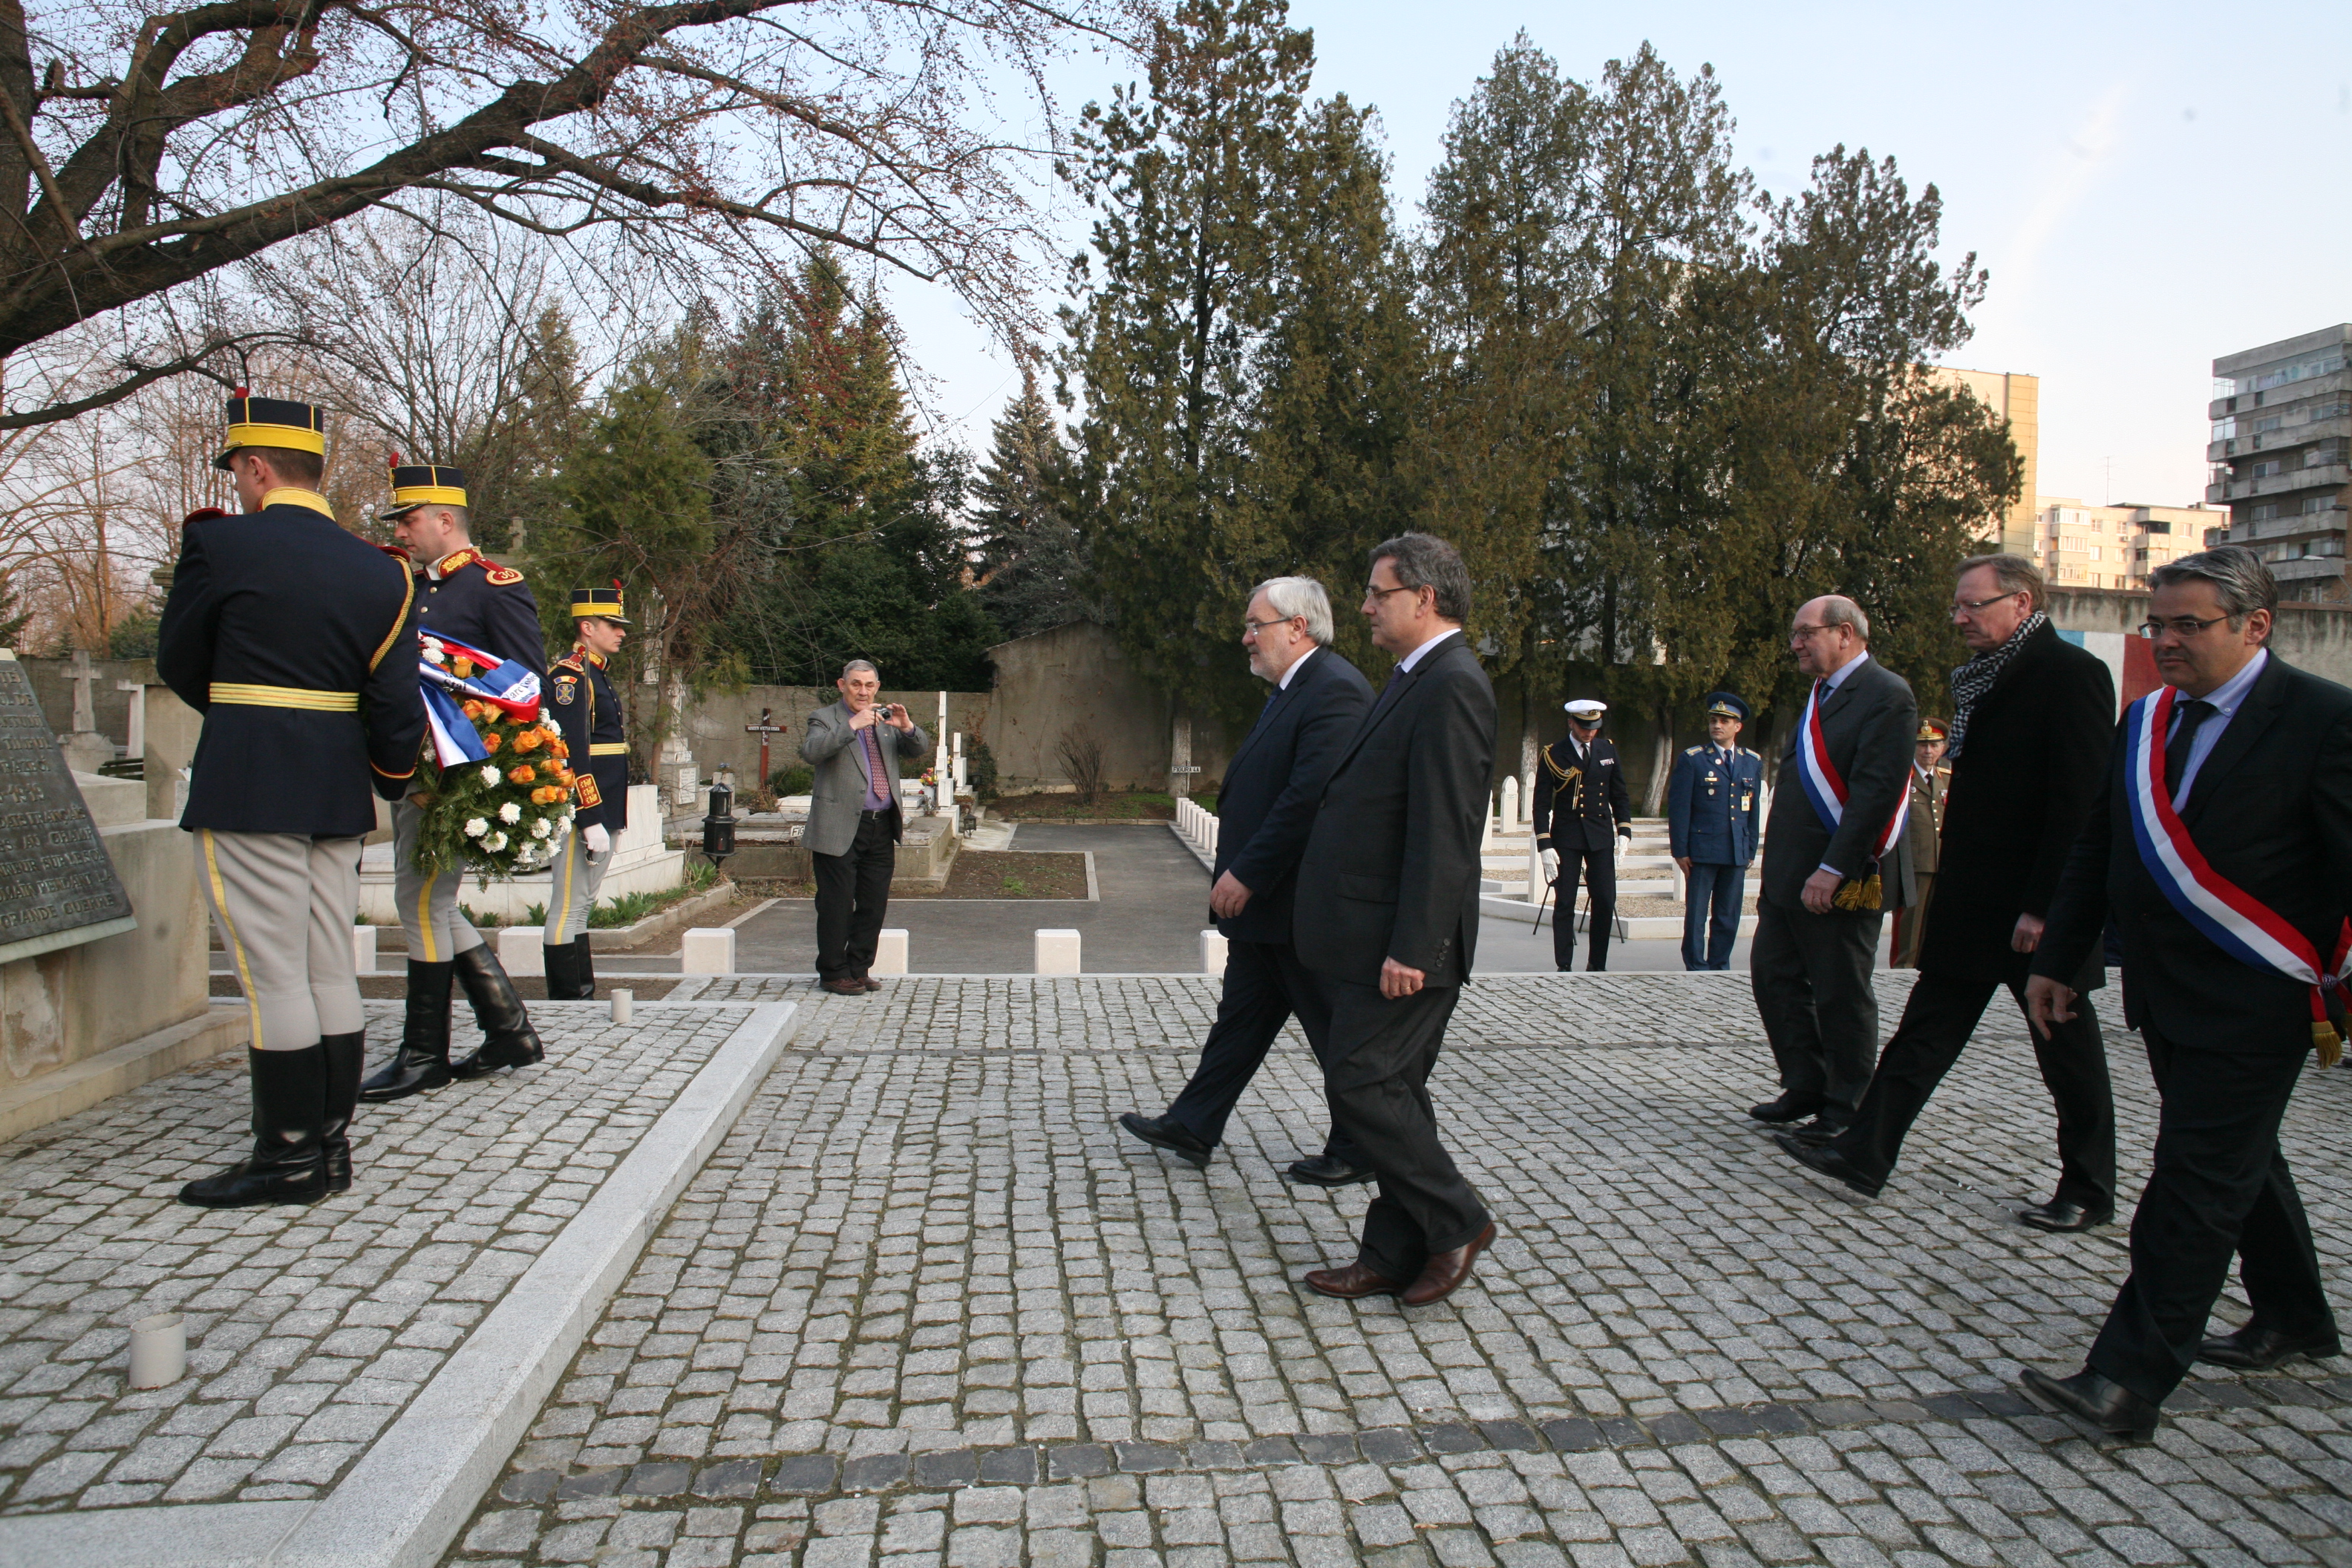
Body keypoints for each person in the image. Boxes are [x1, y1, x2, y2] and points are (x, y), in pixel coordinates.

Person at [2019, 547, 2349, 1442]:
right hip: (2163, 994)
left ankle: (2126, 1381)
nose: (2164, 641)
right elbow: (2101, 842)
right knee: (2239, 1158)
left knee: (2194, 1181)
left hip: (2261, 1001)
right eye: (2155, 624)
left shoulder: (2324, 720)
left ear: (2255, 627)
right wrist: (2060, 951)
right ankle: (2296, 1316)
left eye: (2187, 626)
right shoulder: (2147, 718)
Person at [1777, 555, 2117, 1234]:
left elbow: (2078, 804)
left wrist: (2046, 908)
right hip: (1976, 902)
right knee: (1923, 1037)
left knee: (2067, 1054)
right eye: (1957, 606)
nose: (1959, 617)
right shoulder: (1985, 678)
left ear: (2021, 604)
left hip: (2035, 911)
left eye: (1973, 605)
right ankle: (1864, 1154)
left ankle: (2089, 1186)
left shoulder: (2072, 675)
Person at [157, 392, 425, 1206]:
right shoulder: (383, 572)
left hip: (253, 780)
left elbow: (181, 660)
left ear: (255, 468)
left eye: (239, 472)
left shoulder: (220, 546)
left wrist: (250, 720)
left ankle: (288, 1159)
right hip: (337, 790)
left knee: (274, 975)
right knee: (324, 964)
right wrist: (383, 778)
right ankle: (332, 1148)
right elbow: (395, 707)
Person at [1293, 533, 1498, 1308]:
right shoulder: (1415, 677)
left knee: (1362, 1081)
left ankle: (1458, 1220)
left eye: (1380, 593)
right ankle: (1391, 1250)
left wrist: (1414, 944)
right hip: (1373, 934)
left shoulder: (1453, 684)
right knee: (1394, 1090)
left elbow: (1445, 830)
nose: (1367, 606)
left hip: (1410, 945)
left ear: (1427, 598)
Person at [1118, 577, 1376, 1182]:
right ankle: (1195, 1122)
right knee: (1241, 1021)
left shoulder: (1335, 691)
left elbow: (1307, 799)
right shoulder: (1294, 687)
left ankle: (1361, 1147)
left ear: (1297, 627)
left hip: (1298, 905)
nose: (1246, 637)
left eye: (1255, 624)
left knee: (1336, 1030)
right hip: (1272, 912)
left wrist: (1246, 874)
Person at [362, 461, 546, 1102]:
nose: (404, 533)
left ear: (446, 521)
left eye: (410, 520)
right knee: (429, 902)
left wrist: (472, 758)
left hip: (455, 774)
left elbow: (526, 685)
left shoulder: (495, 586)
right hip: (415, 768)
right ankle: (508, 1030)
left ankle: (424, 1053)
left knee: (419, 902)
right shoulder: (411, 586)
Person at [1747, 595, 1917, 1140]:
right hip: (1789, 877)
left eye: (1805, 633)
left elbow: (1875, 792)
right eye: (1794, 634)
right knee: (1775, 978)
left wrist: (1833, 867)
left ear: (1845, 634)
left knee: (1841, 991)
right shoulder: (1822, 694)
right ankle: (1806, 1083)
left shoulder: (1886, 695)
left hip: (1839, 879)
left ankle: (1847, 1105)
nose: (1795, 644)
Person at [801, 661, 931, 996]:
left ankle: (858, 969)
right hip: (839, 826)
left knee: (873, 904)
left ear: (877, 686)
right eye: (856, 684)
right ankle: (833, 972)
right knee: (836, 903)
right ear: (841, 685)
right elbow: (812, 752)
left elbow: (918, 749)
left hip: (881, 826)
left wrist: (906, 726)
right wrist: (851, 726)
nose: (863, 691)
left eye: (869, 685)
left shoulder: (885, 720)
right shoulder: (824, 717)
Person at [542, 587, 633, 999]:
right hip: (589, 805)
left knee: (583, 902)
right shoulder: (571, 675)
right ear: (587, 627)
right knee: (569, 903)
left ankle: (581, 992)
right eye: (613, 625)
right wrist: (589, 814)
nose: (621, 633)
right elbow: (573, 750)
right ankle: (567, 998)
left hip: (606, 803)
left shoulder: (597, 672)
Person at [1532, 699, 1633, 970]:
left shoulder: (1607, 748)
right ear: (1571, 723)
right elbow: (1541, 802)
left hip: (1600, 834)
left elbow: (1619, 794)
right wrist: (1544, 843)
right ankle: (1564, 964)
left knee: (1605, 899)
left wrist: (1624, 830)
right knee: (1565, 900)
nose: (1589, 732)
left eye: (1594, 727)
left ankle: (1597, 964)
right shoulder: (1554, 753)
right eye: (1584, 726)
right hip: (1567, 834)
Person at [1667, 691, 1763, 971]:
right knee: (1697, 913)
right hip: (1702, 850)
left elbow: (1753, 809)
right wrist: (1680, 851)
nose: (1717, 725)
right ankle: (1696, 964)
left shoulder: (1751, 762)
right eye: (1713, 720)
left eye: (1723, 721)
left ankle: (1720, 963)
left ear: (1738, 726)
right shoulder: (1694, 759)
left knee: (1728, 913)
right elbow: (1680, 808)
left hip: (1736, 849)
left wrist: (1751, 847)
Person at [1889, 719, 1950, 970]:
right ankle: (1903, 971)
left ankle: (1928, 969)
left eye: (1934, 745)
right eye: (1922, 745)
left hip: (1940, 863)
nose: (1928, 751)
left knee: (1935, 926)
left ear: (1943, 747)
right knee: (1909, 927)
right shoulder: (1902, 777)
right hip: (1912, 865)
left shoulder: (1946, 778)